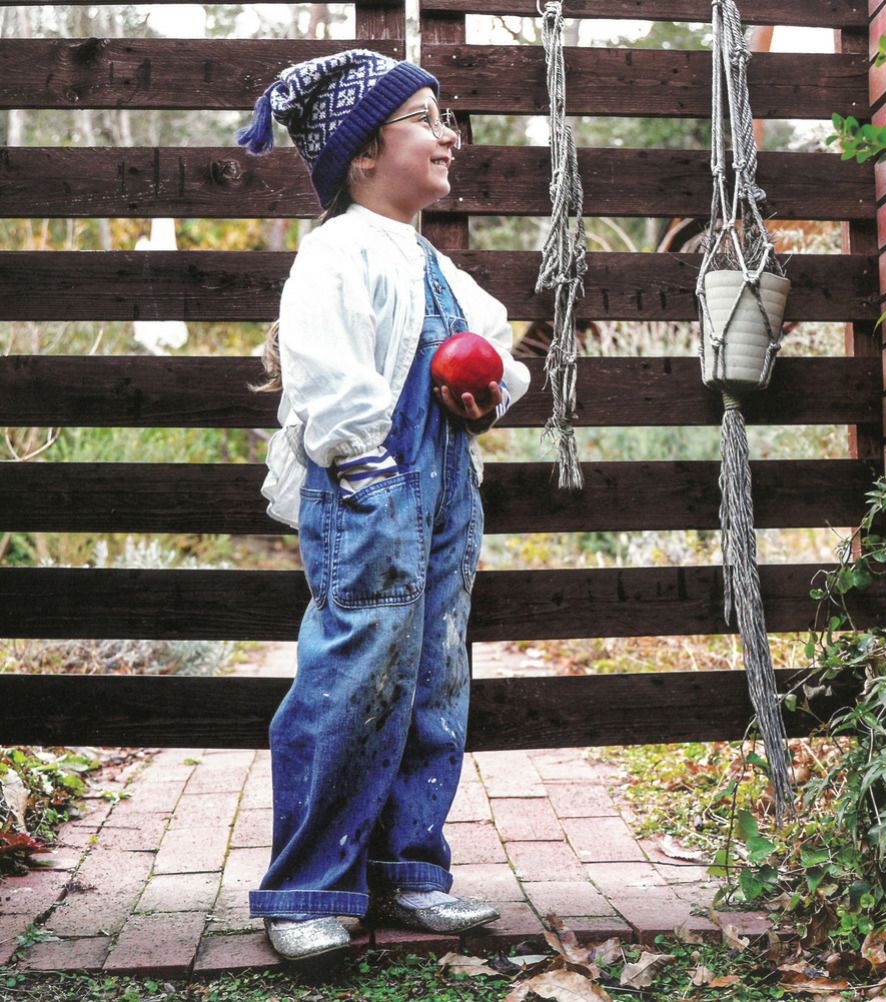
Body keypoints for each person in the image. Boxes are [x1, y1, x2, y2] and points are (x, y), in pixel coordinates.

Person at [236, 50, 531, 961]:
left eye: (448, 119)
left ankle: (408, 869)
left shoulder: (431, 261)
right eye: (427, 120)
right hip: (369, 491)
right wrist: (369, 474)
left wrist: (485, 397)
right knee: (353, 677)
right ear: (364, 151)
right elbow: (327, 378)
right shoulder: (337, 252)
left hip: (445, 502)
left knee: (434, 678)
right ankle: (306, 888)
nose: (450, 136)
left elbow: (492, 346)